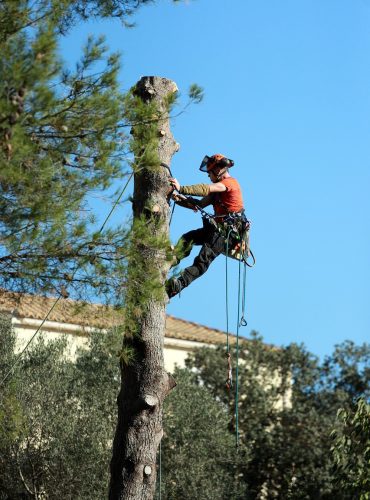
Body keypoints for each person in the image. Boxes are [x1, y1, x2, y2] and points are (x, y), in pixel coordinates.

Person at [166, 153, 245, 298]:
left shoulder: (229, 183)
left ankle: (178, 284)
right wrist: (178, 199)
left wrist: (181, 188)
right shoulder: (217, 192)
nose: (208, 176)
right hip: (217, 230)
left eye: (210, 173)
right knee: (188, 238)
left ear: (218, 170)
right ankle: (172, 259)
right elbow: (199, 204)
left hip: (227, 234)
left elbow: (205, 189)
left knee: (202, 260)